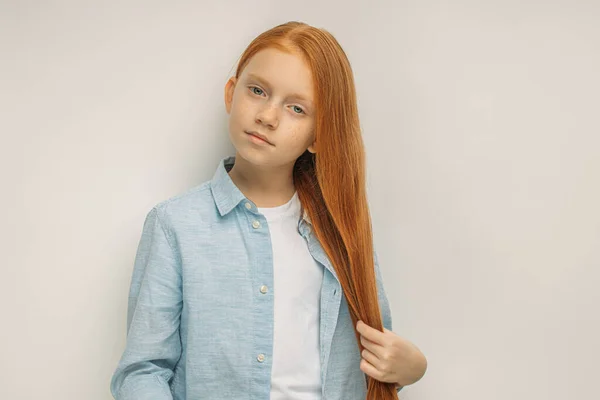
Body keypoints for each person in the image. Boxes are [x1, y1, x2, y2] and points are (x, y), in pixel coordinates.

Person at [110, 21, 427, 400]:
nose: (268, 116)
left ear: (319, 135)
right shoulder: (174, 225)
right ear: (231, 93)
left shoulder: (343, 229)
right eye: (258, 91)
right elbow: (142, 370)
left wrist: (412, 368)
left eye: (296, 108)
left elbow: (373, 358)